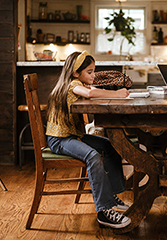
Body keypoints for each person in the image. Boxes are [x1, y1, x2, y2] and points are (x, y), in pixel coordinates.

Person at [46, 50, 131, 228]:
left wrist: (104, 90)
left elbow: (93, 90)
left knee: (110, 145)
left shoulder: (77, 82)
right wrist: (116, 94)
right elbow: (91, 94)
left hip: (73, 135)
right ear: (76, 72)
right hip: (60, 139)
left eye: (94, 71)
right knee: (92, 156)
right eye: (90, 72)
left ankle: (110, 195)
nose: (94, 75)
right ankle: (104, 211)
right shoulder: (71, 85)